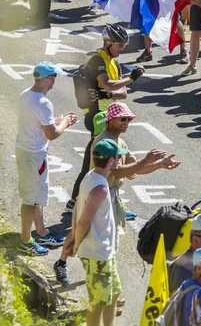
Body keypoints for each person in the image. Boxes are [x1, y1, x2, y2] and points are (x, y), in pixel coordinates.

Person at [54, 102, 180, 284]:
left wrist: (158, 164)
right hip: (96, 193)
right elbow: (119, 171)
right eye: (122, 119)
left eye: (128, 119)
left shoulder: (120, 141)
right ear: (110, 120)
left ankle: (101, 273)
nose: (126, 122)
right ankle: (62, 262)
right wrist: (146, 160)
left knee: (105, 235)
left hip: (110, 194)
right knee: (78, 230)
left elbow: (134, 169)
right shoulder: (103, 141)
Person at [65, 24, 143, 215]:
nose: (122, 48)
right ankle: (88, 201)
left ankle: (77, 200)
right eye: (119, 45)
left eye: (123, 45)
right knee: (104, 161)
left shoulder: (114, 63)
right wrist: (128, 80)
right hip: (97, 116)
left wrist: (107, 92)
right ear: (107, 43)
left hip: (110, 116)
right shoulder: (97, 60)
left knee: (96, 161)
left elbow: (122, 93)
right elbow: (109, 85)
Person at [16, 62, 78, 256]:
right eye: (54, 78)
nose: (54, 82)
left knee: (36, 197)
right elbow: (51, 134)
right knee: (31, 199)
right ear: (49, 78)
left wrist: (58, 120)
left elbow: (38, 123)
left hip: (25, 150)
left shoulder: (26, 94)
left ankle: (41, 232)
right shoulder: (44, 102)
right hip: (35, 155)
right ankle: (26, 241)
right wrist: (65, 123)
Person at [72, 139, 125, 326]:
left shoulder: (91, 176)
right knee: (97, 302)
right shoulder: (100, 189)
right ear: (110, 161)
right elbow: (83, 222)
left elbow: (77, 206)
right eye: (118, 157)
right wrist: (76, 244)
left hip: (105, 252)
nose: (120, 160)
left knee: (113, 293)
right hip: (97, 254)